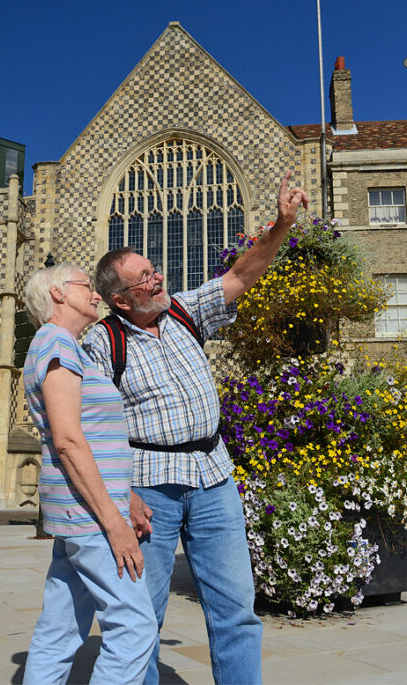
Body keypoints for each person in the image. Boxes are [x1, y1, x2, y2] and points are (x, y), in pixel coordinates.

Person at [83, 172, 307, 685]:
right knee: (143, 621)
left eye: (154, 269)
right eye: (144, 278)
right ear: (121, 300)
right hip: (149, 490)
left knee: (236, 613)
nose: (157, 279)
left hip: (214, 478)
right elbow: (88, 430)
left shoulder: (183, 311)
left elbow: (242, 275)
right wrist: (123, 497)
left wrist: (282, 224)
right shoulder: (101, 345)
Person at [21, 263, 157, 685]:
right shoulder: (57, 345)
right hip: (91, 519)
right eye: (87, 286)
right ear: (58, 294)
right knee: (135, 628)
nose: (97, 294)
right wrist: (114, 522)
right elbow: (68, 440)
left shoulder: (64, 346)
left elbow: (93, 439)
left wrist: (127, 498)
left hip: (80, 515)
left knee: (59, 633)